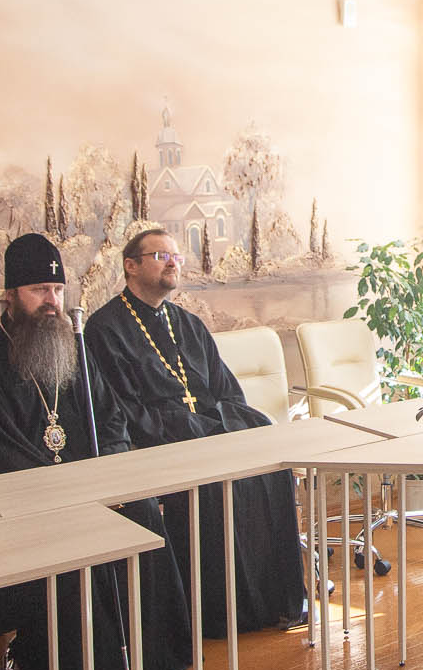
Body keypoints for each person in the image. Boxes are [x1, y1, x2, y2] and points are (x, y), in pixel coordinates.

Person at [0, 234, 192, 670]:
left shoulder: (74, 347)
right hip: (26, 502)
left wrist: (107, 476)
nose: (51, 301)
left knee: (143, 512)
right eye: (39, 290)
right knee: (72, 530)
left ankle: (154, 652)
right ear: (10, 295)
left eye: (57, 290)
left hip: (88, 488)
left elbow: (111, 422)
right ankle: (79, 665)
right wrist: (66, 488)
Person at [86, 227, 305, 635]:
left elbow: (227, 391)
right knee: (211, 477)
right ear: (130, 266)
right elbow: (121, 409)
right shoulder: (105, 329)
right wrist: (191, 427)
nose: (172, 263)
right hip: (157, 444)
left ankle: (278, 598)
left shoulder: (188, 324)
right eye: (160, 256)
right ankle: (221, 612)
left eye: (176, 257)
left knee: (268, 455)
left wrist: (223, 423)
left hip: (207, 430)